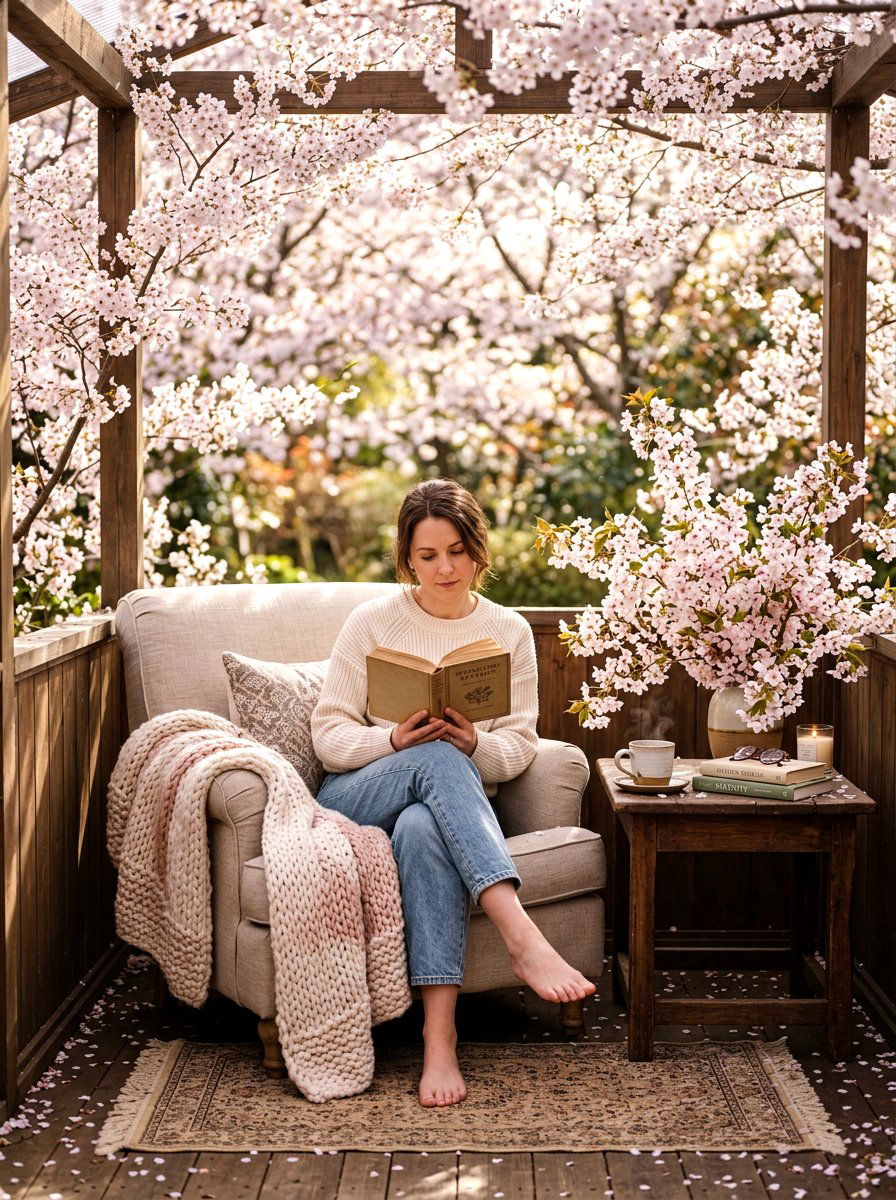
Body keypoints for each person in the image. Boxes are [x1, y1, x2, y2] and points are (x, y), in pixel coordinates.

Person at [310, 478, 595, 1108]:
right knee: (429, 755)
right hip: (358, 795)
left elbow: (520, 743)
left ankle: (440, 1041)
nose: (444, 568)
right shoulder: (371, 622)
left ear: (477, 552)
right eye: (429, 554)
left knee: (422, 826)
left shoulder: (509, 631)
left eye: (457, 552)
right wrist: (393, 742)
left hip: (448, 803)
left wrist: (474, 747)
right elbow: (329, 735)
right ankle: (523, 940)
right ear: (408, 557)